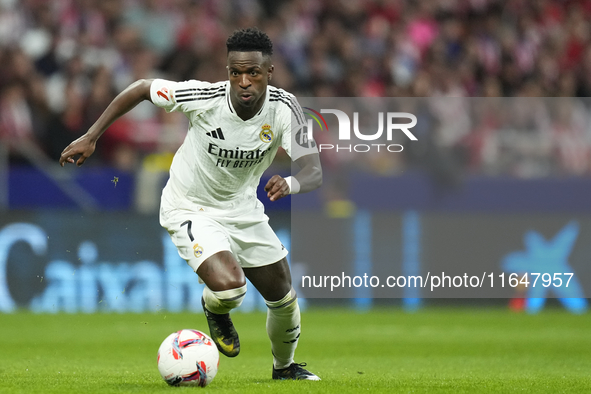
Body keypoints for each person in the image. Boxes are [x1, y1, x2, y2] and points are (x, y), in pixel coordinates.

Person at [59, 27, 322, 381]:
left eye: (253, 73)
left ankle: (284, 368)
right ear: (227, 72)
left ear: (269, 73)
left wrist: (289, 183)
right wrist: (91, 136)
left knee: (285, 299)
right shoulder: (203, 96)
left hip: (243, 209)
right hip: (190, 205)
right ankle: (214, 309)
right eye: (235, 73)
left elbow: (313, 170)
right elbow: (141, 88)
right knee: (231, 288)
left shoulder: (286, 109)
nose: (243, 81)